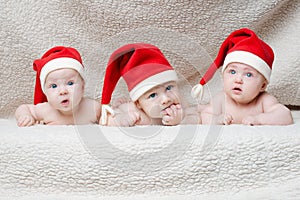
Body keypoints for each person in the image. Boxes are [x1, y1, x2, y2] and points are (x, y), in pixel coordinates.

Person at [191, 28, 293, 125]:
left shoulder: (264, 100)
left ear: (262, 86)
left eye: (248, 74)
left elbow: (285, 115)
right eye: (232, 72)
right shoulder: (222, 98)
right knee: (200, 109)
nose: (238, 80)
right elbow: (206, 115)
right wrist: (217, 119)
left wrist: (259, 119)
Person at [100, 43, 201, 126]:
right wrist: (122, 118)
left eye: (169, 88)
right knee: (119, 108)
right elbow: (105, 120)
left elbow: (196, 117)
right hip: (125, 108)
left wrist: (181, 120)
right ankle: (120, 104)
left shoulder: (180, 104)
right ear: (138, 103)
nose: (166, 99)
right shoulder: (135, 111)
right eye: (152, 95)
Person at [15, 46, 101, 126]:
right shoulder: (46, 110)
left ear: (82, 87)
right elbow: (24, 108)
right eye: (54, 86)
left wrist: (109, 119)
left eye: (70, 83)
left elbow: (106, 114)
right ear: (45, 92)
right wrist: (25, 115)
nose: (63, 91)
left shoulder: (92, 108)